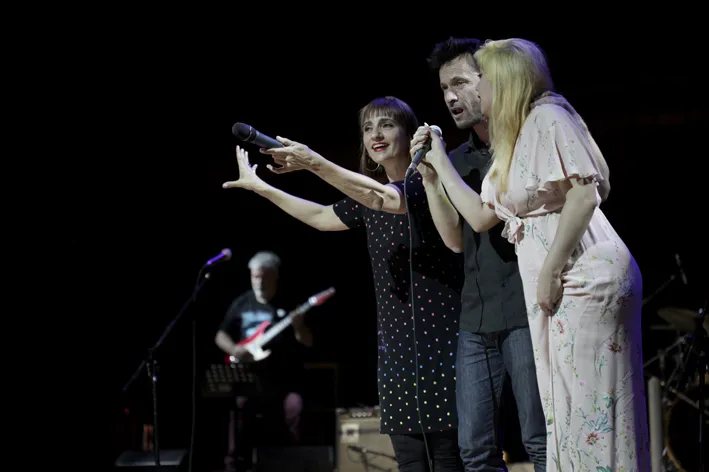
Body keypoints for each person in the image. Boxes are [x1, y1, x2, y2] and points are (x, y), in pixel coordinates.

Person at [417, 37, 650, 471]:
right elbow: (478, 218)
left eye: (477, 79)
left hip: (578, 275)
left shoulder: (546, 115)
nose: (464, 93)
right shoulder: (518, 135)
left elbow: (587, 192)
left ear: (505, 80)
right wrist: (437, 168)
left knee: (585, 416)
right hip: (551, 287)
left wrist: (551, 270)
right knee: (572, 417)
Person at [223, 96, 464, 471]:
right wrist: (261, 188)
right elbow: (321, 216)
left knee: (448, 458)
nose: (375, 134)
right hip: (396, 349)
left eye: (386, 125)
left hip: (442, 341)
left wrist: (312, 162)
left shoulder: (427, 182)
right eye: (368, 128)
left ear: (409, 133)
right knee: (409, 460)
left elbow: (383, 197)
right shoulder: (370, 196)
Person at [410, 37, 548, 471]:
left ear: (488, 80)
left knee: (539, 440)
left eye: (460, 83)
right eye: (443, 89)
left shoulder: (523, 144)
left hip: (525, 308)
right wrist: (432, 177)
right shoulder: (457, 158)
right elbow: (455, 239)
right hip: (475, 317)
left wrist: (441, 165)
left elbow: (485, 218)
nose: (450, 98)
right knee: (474, 449)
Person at [215, 250, 313, 472]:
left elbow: (308, 342)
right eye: (255, 276)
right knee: (238, 408)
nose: (258, 282)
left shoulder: (289, 304)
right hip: (249, 379)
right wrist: (235, 349)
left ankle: (293, 462)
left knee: (295, 406)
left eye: (263, 276)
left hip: (284, 379)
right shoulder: (242, 303)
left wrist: (299, 327)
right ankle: (233, 464)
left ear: (275, 276)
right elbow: (220, 335)